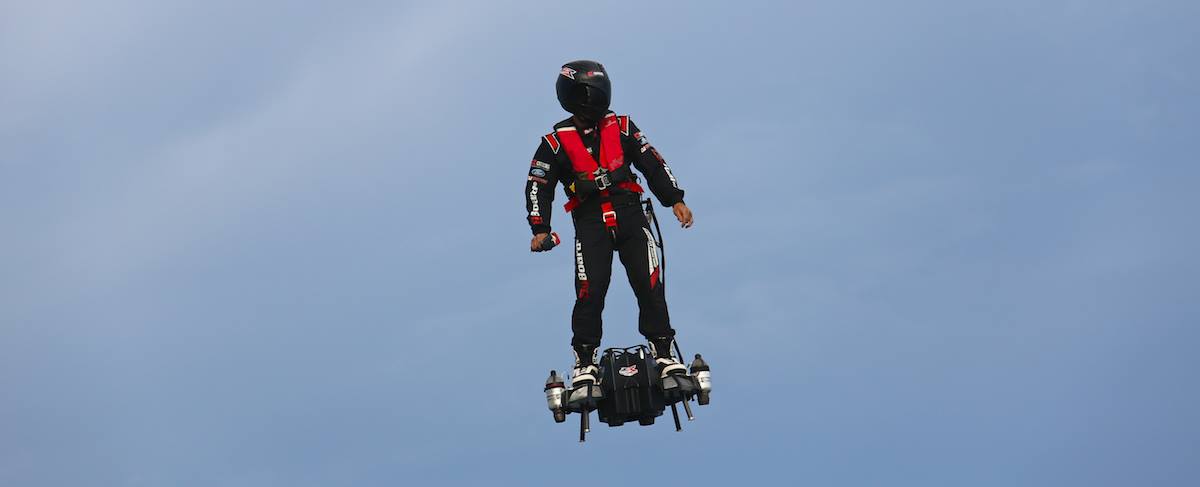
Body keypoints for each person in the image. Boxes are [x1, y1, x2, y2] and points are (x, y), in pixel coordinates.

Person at [525, 60, 695, 394]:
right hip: (590, 225)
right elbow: (538, 184)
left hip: (631, 214)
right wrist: (539, 227)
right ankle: (585, 360)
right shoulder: (555, 142)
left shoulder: (622, 127)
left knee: (649, 285)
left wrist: (674, 199)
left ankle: (663, 350)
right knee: (590, 291)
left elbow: (652, 162)